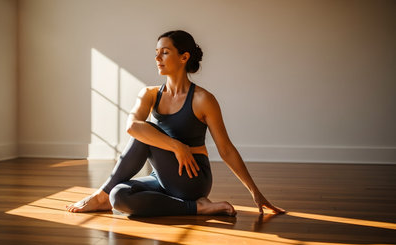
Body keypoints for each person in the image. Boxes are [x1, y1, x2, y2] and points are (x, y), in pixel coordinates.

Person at [66, 30, 285, 216]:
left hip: (192, 178)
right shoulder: (150, 94)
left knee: (147, 130)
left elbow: (226, 149)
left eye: (165, 52)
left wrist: (255, 192)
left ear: (184, 57)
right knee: (118, 196)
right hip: (160, 177)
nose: (157, 58)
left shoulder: (202, 99)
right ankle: (195, 208)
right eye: (156, 53)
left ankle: (99, 196)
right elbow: (131, 126)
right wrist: (177, 146)